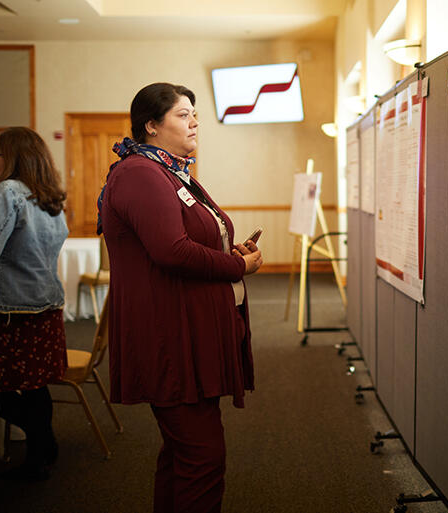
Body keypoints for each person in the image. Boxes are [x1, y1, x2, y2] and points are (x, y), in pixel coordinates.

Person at [99, 82, 262, 513]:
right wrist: (237, 267)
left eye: (195, 115)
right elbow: (170, 250)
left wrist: (228, 252)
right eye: (182, 114)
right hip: (170, 337)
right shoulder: (140, 172)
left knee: (184, 456)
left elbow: (187, 240)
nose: (194, 123)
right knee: (202, 458)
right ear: (151, 125)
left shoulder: (170, 171)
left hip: (186, 329)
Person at [0, 127, 69, 481]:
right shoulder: (50, 197)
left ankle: (42, 444)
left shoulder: (9, 191)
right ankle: (43, 451)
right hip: (45, 306)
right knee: (34, 386)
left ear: (13, 159)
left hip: (9, 310)